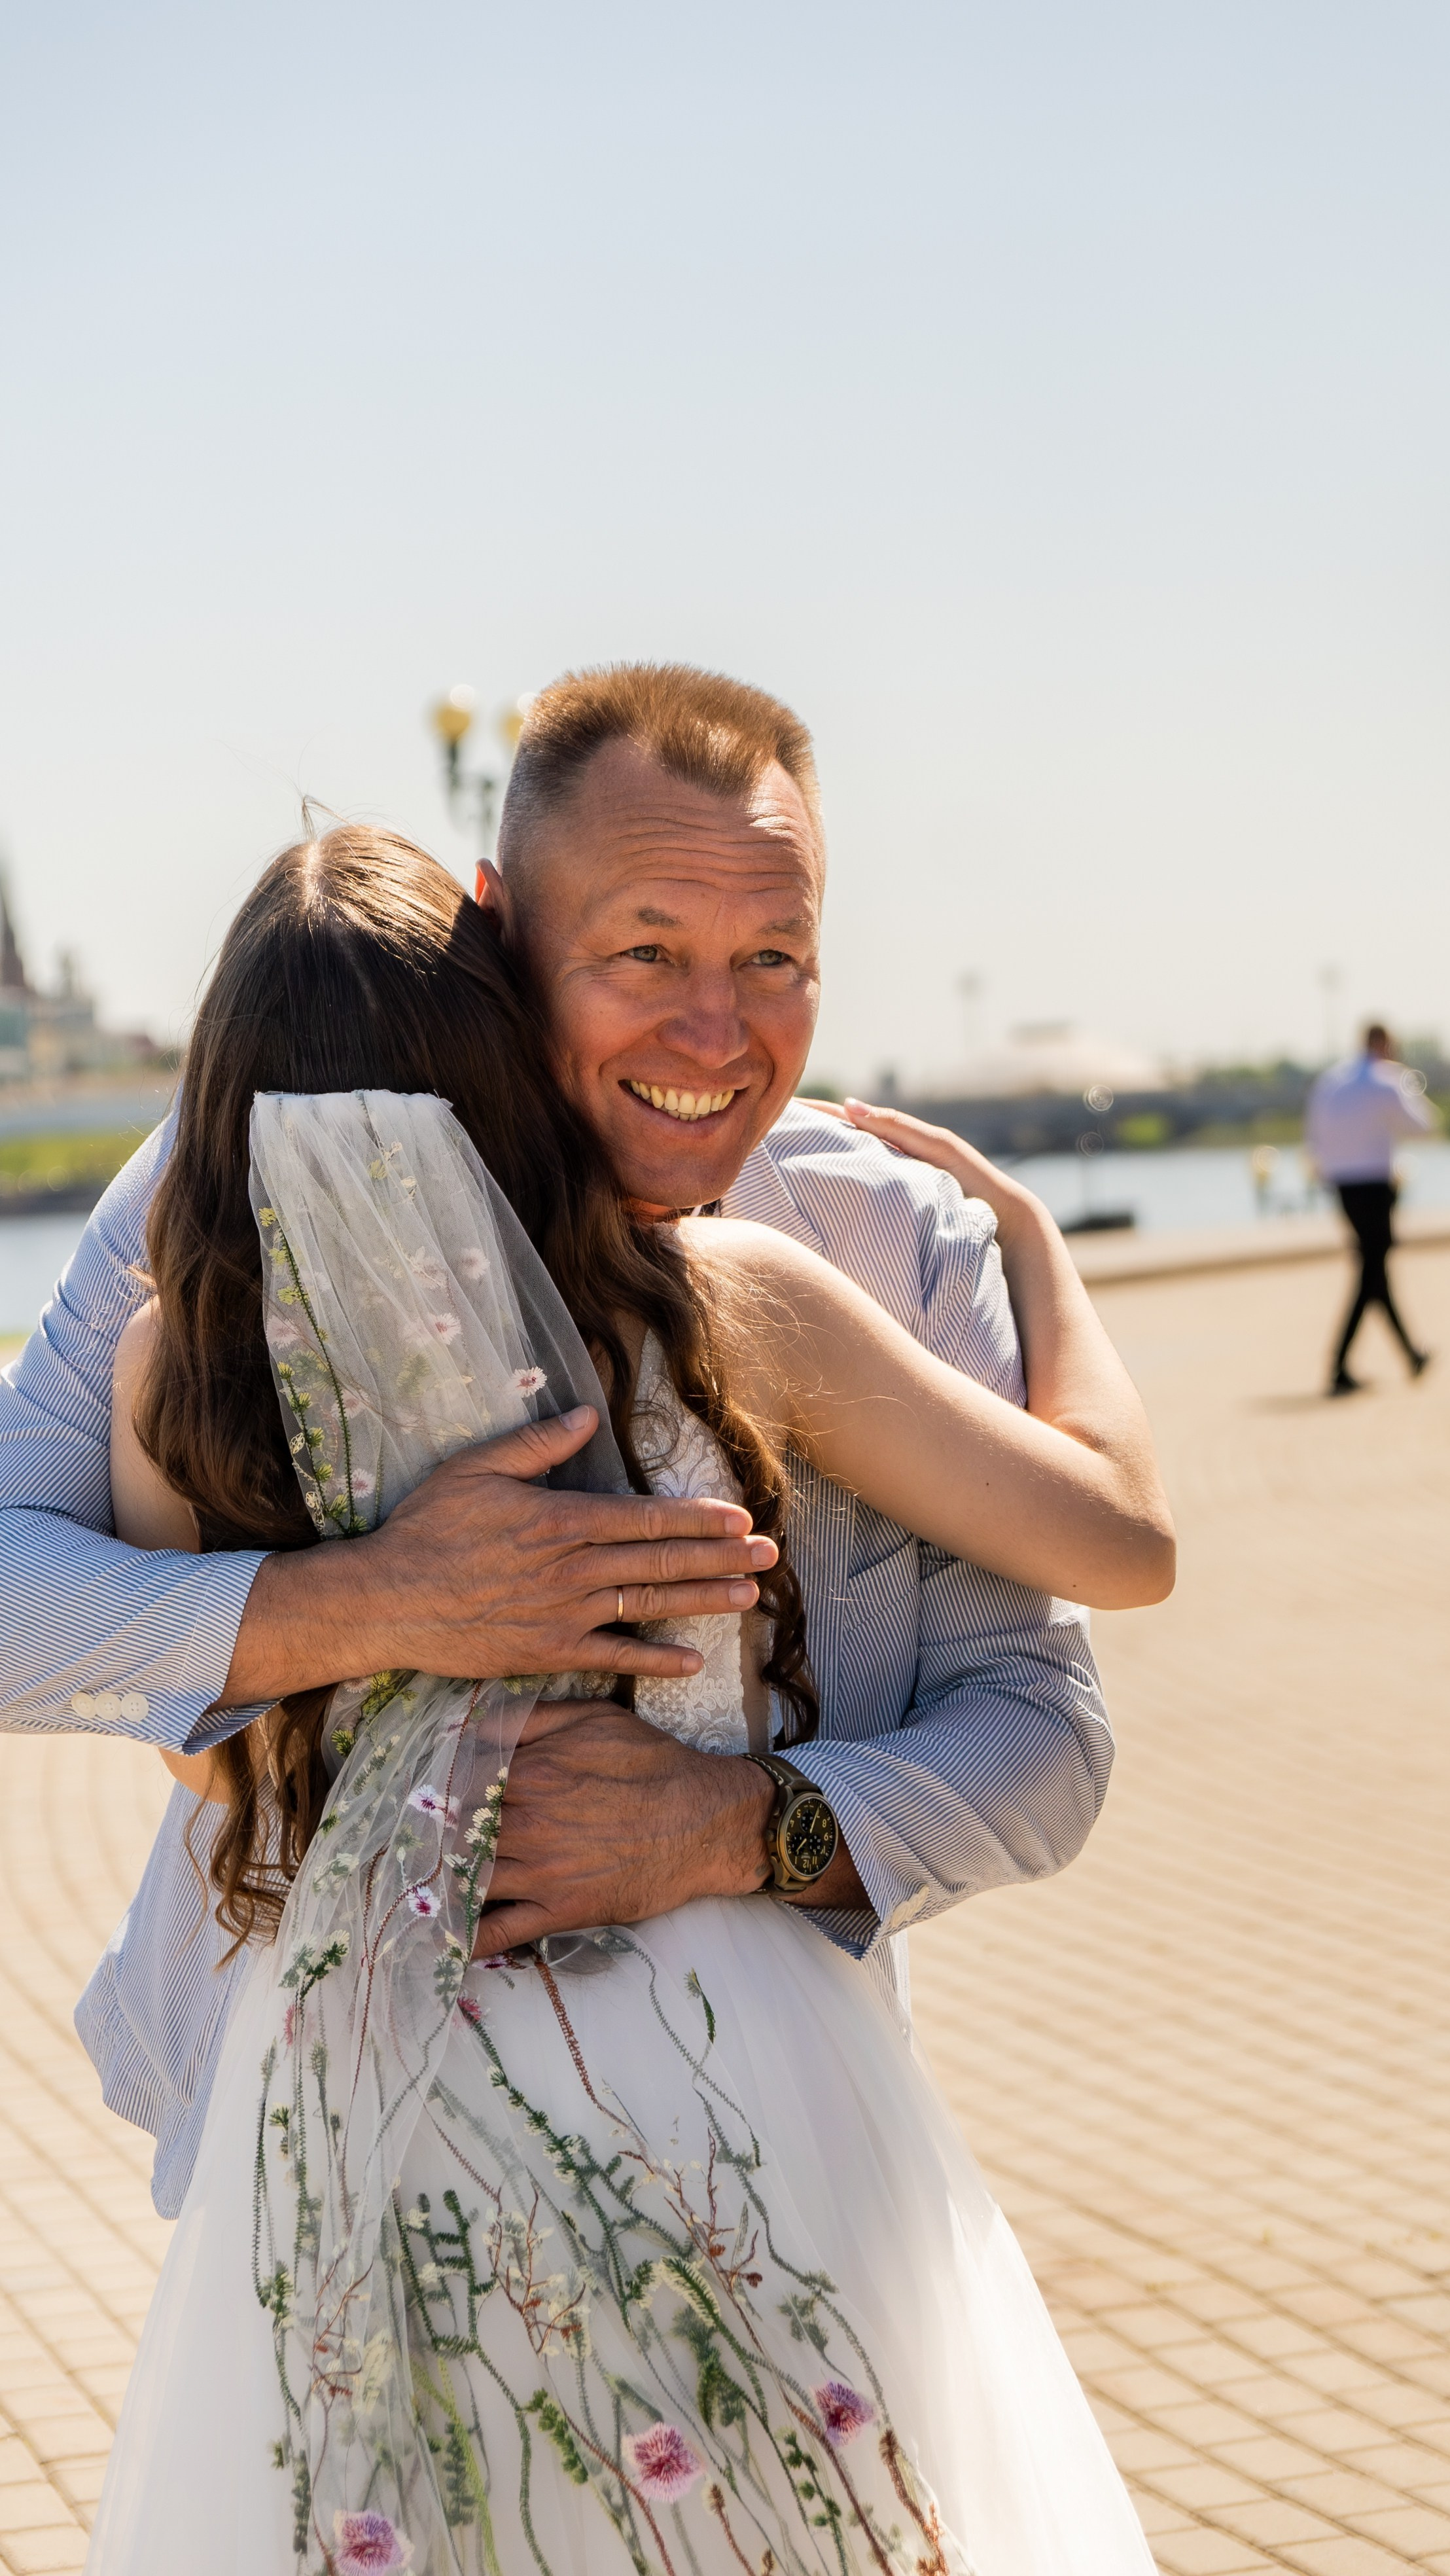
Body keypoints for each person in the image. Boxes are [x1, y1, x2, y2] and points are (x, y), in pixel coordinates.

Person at [86, 827, 1169, 2571]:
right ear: (505, 1059)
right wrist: (1036, 1253)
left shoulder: (169, 1375)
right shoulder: (715, 1305)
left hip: (352, 2058)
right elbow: (1118, 1544)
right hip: (709, 2011)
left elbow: (210, 1759)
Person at [0, 666, 1138, 2214]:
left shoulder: (892, 1239)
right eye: (644, 950)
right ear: (498, 931)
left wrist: (739, 1826)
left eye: (773, 956)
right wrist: (382, 1600)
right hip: (329, 2139)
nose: (713, 1028)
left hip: (736, 2116)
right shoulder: (228, 1191)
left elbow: (1042, 1727)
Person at [1305, 1022, 1436, 1395]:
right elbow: (1424, 1124)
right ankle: (1339, 1365)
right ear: (1383, 1044)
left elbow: (1314, 1137)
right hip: (1376, 1187)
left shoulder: (1331, 1081)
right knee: (1372, 1271)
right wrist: (1406, 1087)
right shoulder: (1387, 1079)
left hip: (1342, 1188)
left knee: (1373, 1268)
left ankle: (1409, 1354)